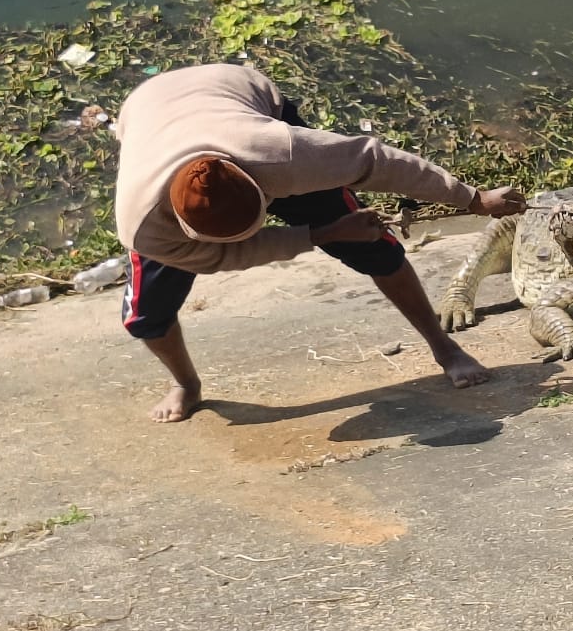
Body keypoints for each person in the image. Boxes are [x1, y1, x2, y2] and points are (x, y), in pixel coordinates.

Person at [114, 62, 528, 422]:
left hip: (236, 91)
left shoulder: (283, 153)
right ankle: (187, 384)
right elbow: (223, 257)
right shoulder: (143, 223)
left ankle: (444, 347)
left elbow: (377, 161)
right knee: (146, 315)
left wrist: (473, 198)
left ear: (266, 186)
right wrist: (321, 234)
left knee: (373, 246)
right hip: (146, 109)